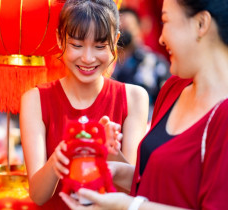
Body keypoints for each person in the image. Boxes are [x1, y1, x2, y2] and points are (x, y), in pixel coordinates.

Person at [60, 0, 228, 209]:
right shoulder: (173, 89)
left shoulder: (222, 113)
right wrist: (117, 171)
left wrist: (129, 206)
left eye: (165, 20)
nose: (160, 38)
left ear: (201, 24)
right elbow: (161, 179)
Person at [20, 0, 149, 208]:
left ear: (115, 40)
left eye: (99, 46)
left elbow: (133, 190)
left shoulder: (134, 97)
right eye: (77, 45)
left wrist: (112, 151)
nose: (88, 58)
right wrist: (57, 160)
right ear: (60, 40)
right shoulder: (34, 100)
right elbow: (38, 195)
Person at [112, 7, 170, 120]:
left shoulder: (155, 63)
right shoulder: (107, 64)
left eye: (128, 28)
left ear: (139, 29)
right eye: (120, 29)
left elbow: (167, 103)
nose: (124, 33)